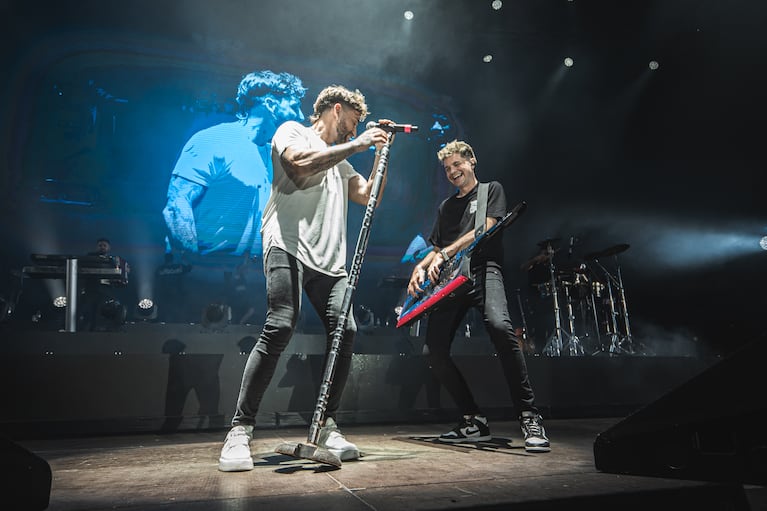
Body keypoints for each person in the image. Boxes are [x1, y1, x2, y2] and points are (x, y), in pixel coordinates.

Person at [218, 85, 392, 471]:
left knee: (345, 330)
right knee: (280, 324)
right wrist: (360, 144)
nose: (354, 128)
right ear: (335, 109)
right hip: (287, 245)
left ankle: (326, 425)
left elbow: (370, 197)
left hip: (329, 260)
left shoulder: (344, 162)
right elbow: (298, 165)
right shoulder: (292, 131)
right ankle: (240, 430)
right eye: (353, 120)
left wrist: (382, 155)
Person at [406, 140, 551, 453]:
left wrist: (445, 252)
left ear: (472, 161)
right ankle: (473, 420)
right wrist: (420, 268)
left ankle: (529, 415)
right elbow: (435, 249)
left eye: (457, 164)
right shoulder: (446, 208)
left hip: (485, 271)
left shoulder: (491, 190)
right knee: (434, 350)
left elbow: (486, 228)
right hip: (451, 283)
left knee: (501, 328)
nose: (452, 172)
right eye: (447, 169)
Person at [163, 70, 307, 259]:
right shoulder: (213, 140)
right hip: (203, 276)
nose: (302, 116)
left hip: (249, 279)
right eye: (295, 107)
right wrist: (193, 262)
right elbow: (176, 205)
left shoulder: (276, 155)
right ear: (271, 104)